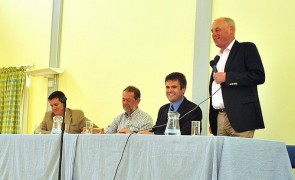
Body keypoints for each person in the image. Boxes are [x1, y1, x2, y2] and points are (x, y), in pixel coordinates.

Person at [209, 17, 265, 138]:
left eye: (217, 30)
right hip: (220, 117)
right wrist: (213, 120)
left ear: (231, 29)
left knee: (240, 156)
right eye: (212, 31)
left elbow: (258, 76)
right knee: (221, 156)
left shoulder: (246, 48)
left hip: (242, 117)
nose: (214, 34)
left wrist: (228, 77)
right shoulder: (217, 58)